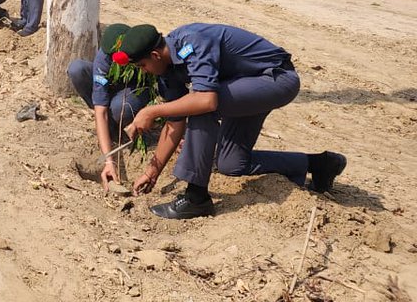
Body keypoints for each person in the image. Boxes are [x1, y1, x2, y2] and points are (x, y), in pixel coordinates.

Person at [116, 23, 347, 219]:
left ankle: (196, 198)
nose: (144, 71)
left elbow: (206, 101)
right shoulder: (166, 73)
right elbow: (174, 123)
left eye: (143, 66)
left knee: (200, 107)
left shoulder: (193, 41)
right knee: (231, 164)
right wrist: (151, 173)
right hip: (242, 87)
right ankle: (319, 164)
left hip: (275, 78)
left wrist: (151, 111)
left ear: (155, 55)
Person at [66, 24, 152, 189]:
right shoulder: (104, 58)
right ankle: (110, 126)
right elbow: (100, 111)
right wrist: (109, 160)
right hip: (113, 87)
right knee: (77, 69)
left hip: (134, 91)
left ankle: (118, 120)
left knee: (121, 107)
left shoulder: (142, 54)